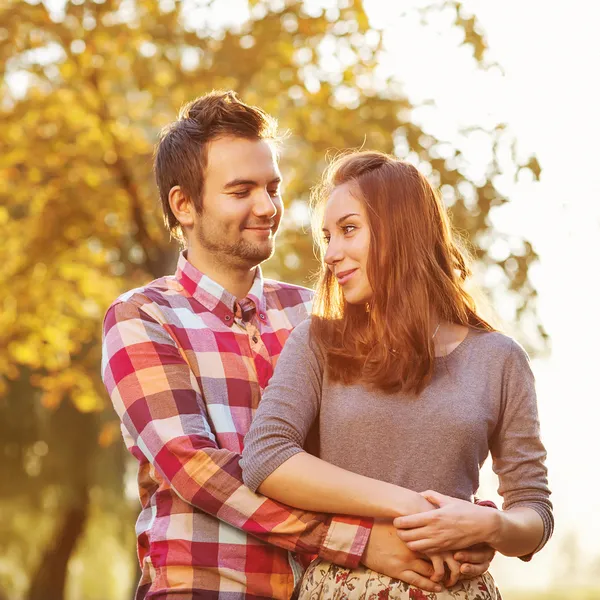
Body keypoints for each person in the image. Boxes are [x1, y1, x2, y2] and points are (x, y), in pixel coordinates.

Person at [101, 91, 494, 599]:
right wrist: (362, 542)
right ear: (184, 205)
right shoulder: (143, 317)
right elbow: (197, 470)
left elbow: (400, 435)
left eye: (272, 187)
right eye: (241, 191)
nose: (267, 207)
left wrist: (467, 525)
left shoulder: (323, 315)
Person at [240, 150, 553, 599]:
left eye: (349, 230)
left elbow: (534, 510)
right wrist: (410, 505)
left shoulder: (498, 359)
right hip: (343, 588)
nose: (330, 253)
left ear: (402, 229)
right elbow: (266, 458)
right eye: (327, 237)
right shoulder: (317, 343)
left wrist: (491, 524)